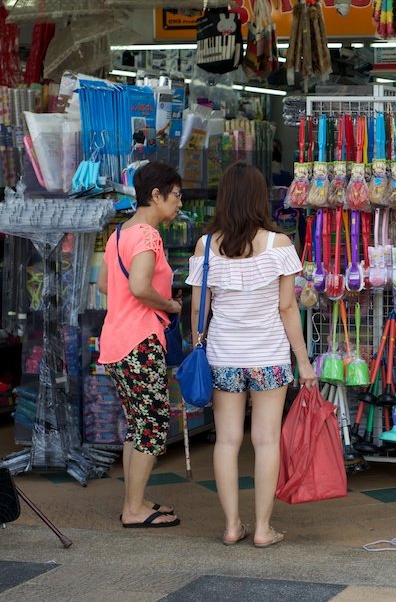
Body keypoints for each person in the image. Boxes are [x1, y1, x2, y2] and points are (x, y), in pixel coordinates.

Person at [186, 161, 316, 548]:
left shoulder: (206, 245)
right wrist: (304, 360)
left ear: (222, 198)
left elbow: (199, 312)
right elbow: (287, 308)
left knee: (226, 441)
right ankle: (262, 529)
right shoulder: (280, 245)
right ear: (261, 198)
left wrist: (198, 346)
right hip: (270, 355)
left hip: (224, 356)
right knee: (266, 441)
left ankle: (231, 526)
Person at [97, 161, 183, 528]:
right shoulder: (148, 235)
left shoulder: (120, 233)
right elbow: (139, 287)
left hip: (116, 340)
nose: (179, 203)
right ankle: (134, 510)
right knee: (151, 425)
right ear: (156, 195)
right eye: (176, 196)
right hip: (140, 341)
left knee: (137, 424)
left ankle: (136, 499)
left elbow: (104, 285)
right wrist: (170, 304)